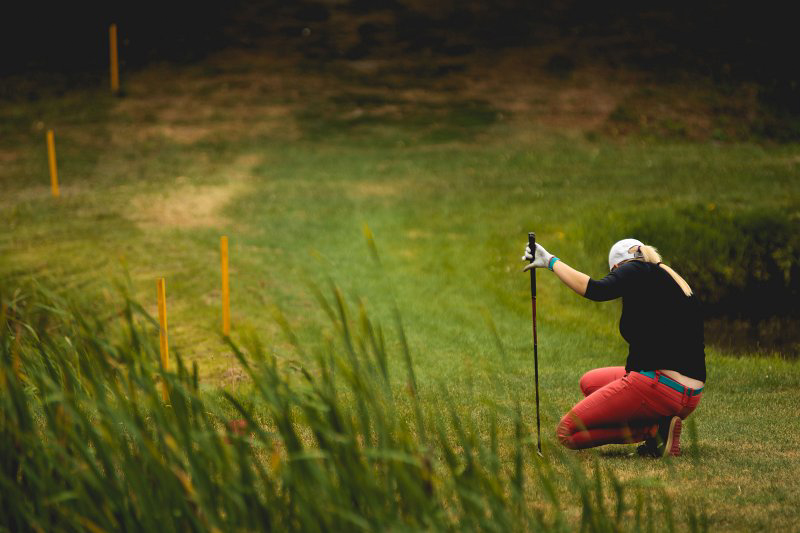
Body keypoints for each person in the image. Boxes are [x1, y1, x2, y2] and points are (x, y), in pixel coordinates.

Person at [522, 238, 705, 457]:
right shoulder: (668, 278)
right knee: (590, 382)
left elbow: (595, 289)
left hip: (661, 387)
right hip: (689, 395)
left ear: (617, 267)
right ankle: (662, 423)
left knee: (567, 432)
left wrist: (550, 262)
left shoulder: (634, 269)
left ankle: (654, 431)